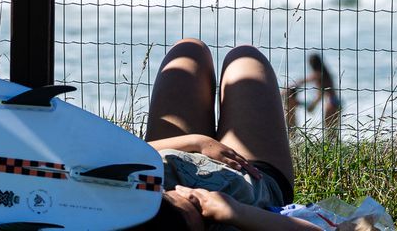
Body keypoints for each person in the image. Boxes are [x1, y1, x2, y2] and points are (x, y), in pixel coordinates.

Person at [133, 39, 329, 231]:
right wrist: (234, 212)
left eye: (169, 200)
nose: (192, 196)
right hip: (251, 177)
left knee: (188, 49)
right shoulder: (227, 221)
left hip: (165, 157)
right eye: (196, 210)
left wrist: (196, 142)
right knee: (246, 57)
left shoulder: (133, 198)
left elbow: (118, 157)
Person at [281, 53, 343, 142]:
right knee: (332, 132)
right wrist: (312, 106)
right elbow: (320, 94)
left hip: (331, 103)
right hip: (335, 101)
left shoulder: (318, 74)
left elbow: (303, 82)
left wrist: (287, 89)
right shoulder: (325, 74)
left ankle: (293, 137)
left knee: (330, 132)